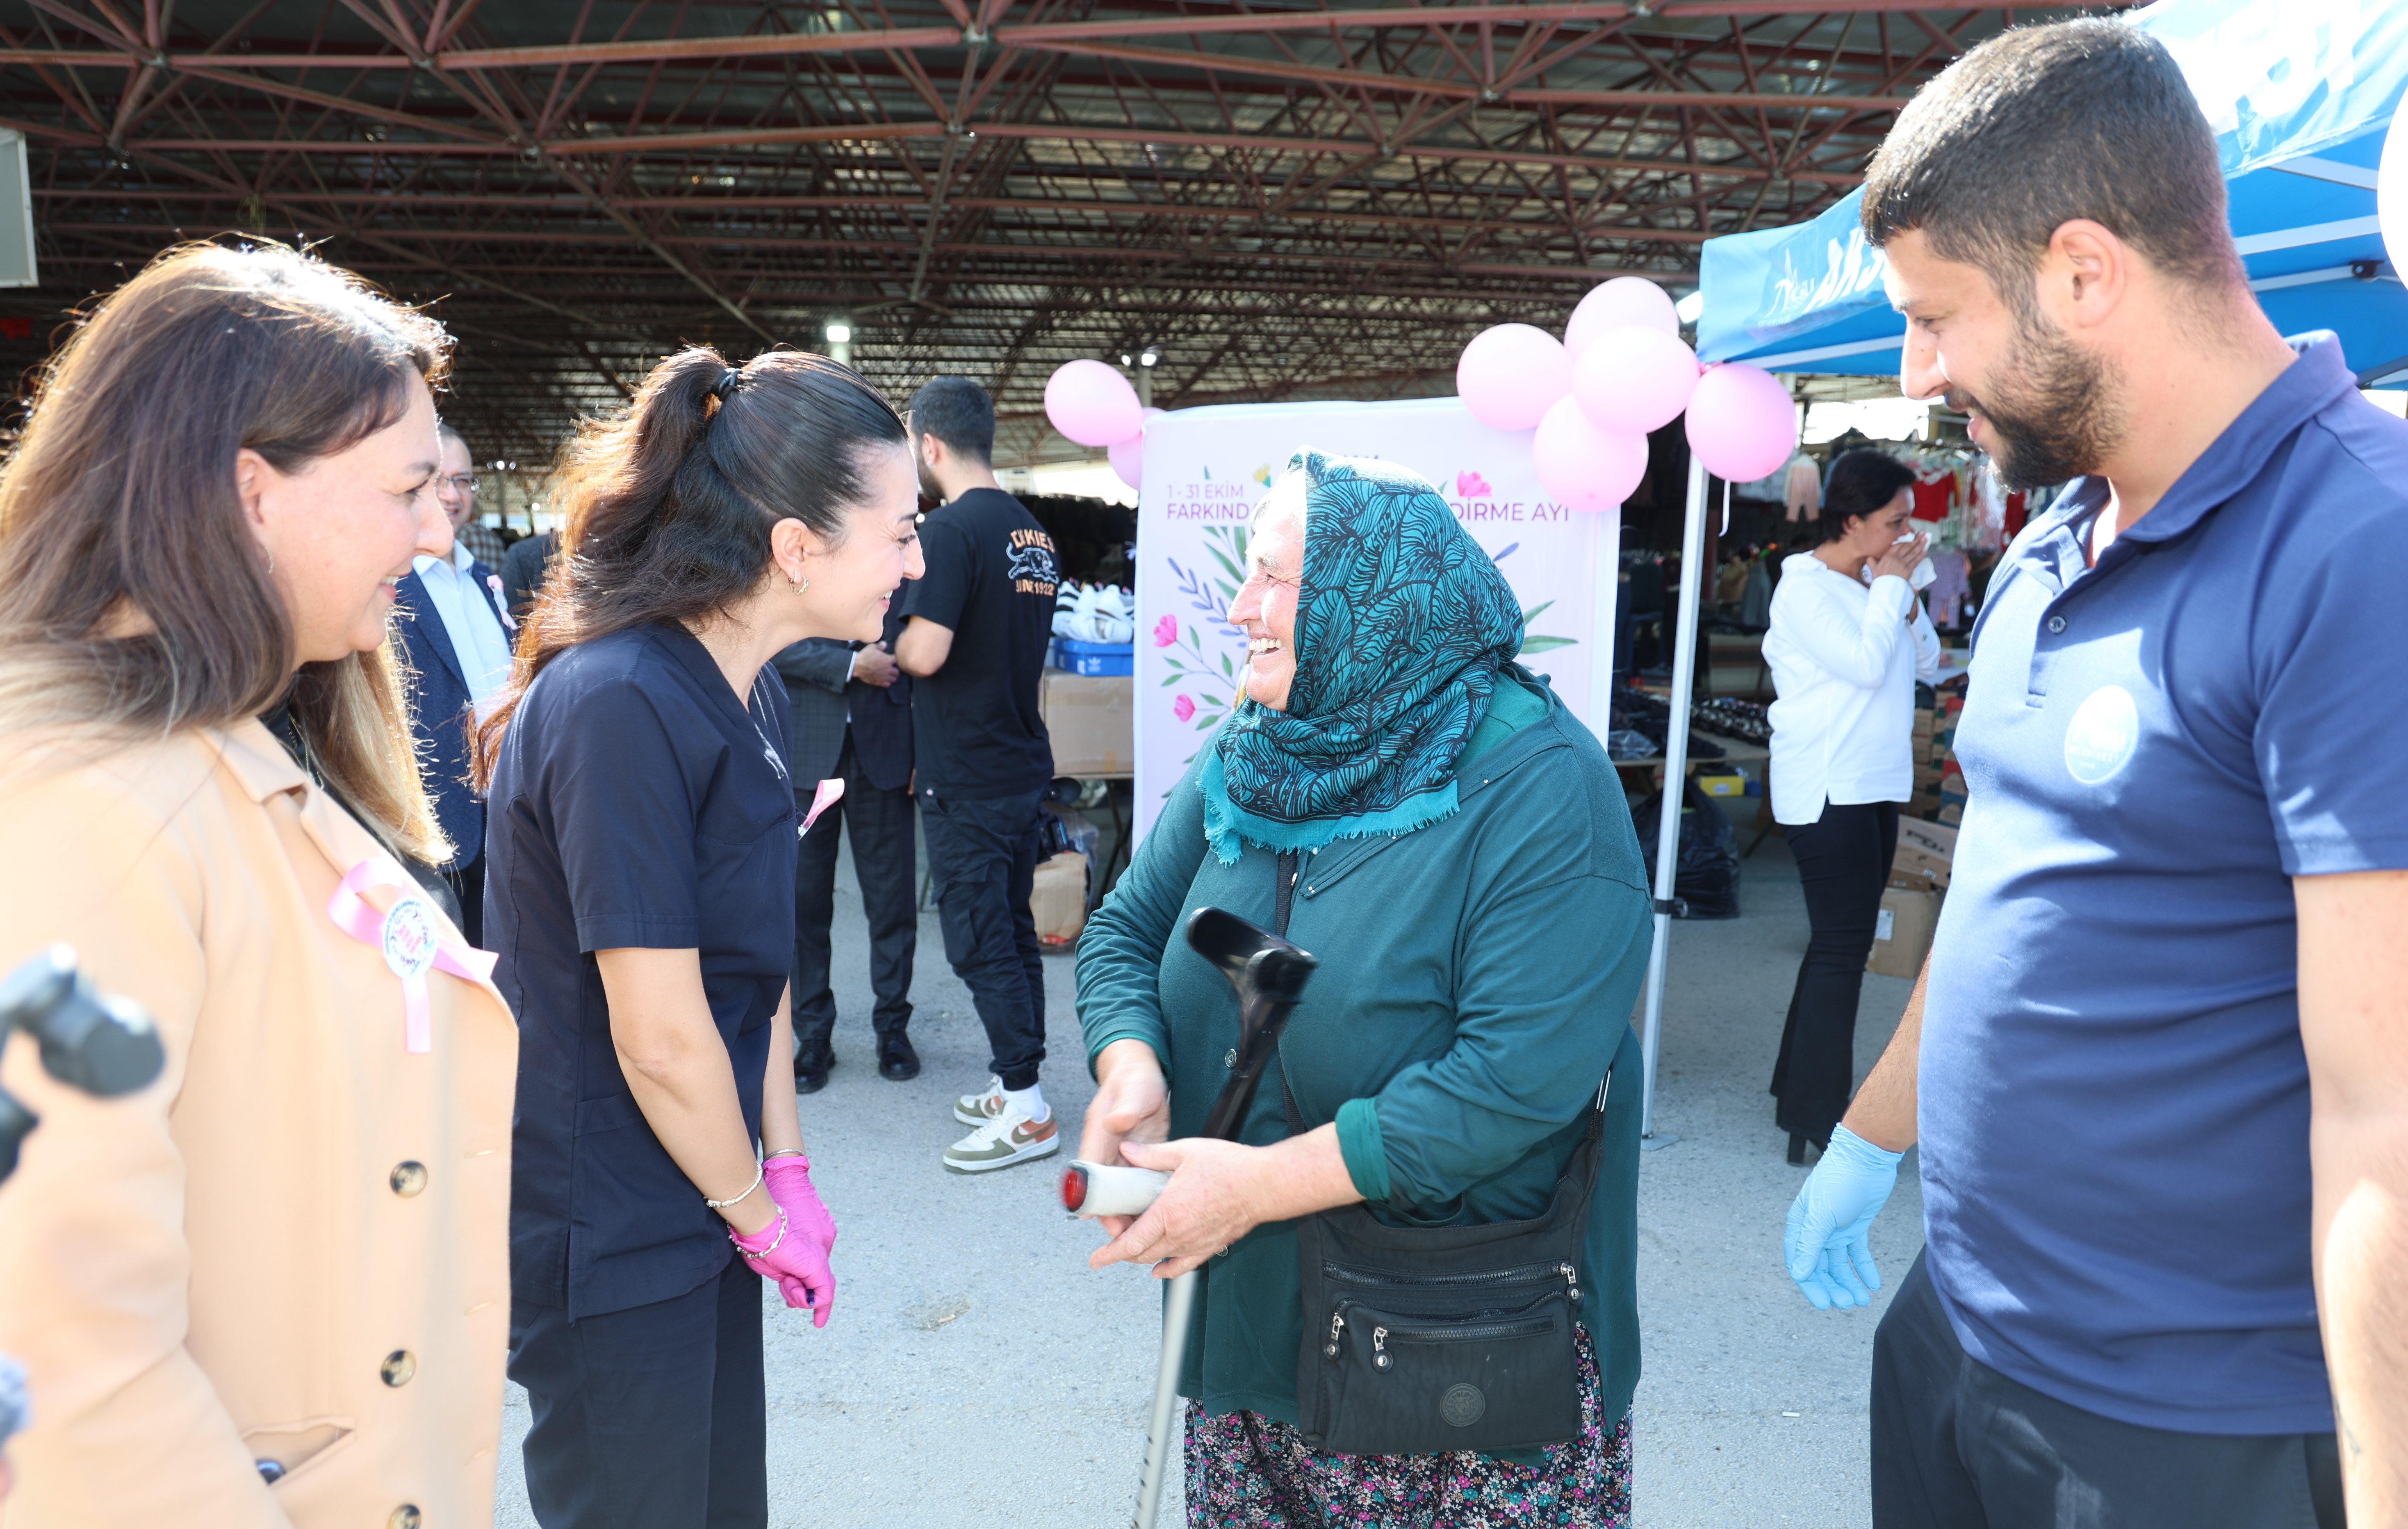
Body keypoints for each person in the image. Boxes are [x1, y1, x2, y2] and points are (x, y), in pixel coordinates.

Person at [1779, 21, 2408, 1529]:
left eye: (1933, 316)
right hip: (1959, 1329)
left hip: (2182, 1417)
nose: (1915, 371)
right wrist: (1871, 1132)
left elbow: (2380, 1115)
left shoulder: (2355, 548)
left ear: (2079, 272)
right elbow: (2002, 892)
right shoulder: (2055, 540)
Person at [0, 242, 517, 1527]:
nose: (437, 528)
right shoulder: (94, 810)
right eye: (408, 488)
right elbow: (67, 1351)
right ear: (251, 493)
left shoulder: (234, 741)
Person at [1076, 452, 1652, 1524]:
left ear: (1371, 594)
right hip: (1250, 1336)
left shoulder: (1541, 788)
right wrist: (1131, 1064)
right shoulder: (1261, 748)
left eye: (1274, 578)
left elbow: (1510, 1087)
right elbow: (1125, 928)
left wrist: (1251, 1187)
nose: (1239, 608)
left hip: (1456, 1364)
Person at [478, 346, 919, 1529]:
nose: (916, 562)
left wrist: (785, 1167)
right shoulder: (619, 700)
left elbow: (755, 967)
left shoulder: (748, 686)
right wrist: (759, 1212)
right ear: (797, 546)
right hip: (616, 1218)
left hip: (706, 1188)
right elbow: (662, 1037)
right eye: (900, 532)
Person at [893, 375, 1065, 1174]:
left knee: (977, 937)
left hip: (967, 770)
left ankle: (1026, 1108)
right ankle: (1015, 1079)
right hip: (1019, 759)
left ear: (929, 444)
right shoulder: (1034, 533)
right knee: (1011, 928)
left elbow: (926, 652)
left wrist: (889, 642)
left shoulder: (950, 530)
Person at [1761, 449, 1939, 1164]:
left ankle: (1796, 1093)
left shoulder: (1875, 585)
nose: (1907, 534)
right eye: (1895, 521)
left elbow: (1927, 662)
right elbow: (1865, 666)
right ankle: (1819, 1114)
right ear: (1852, 520)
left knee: (1836, 946)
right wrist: (1889, 587)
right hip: (1827, 786)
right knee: (1841, 951)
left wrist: (1904, 593)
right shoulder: (1803, 589)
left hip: (1874, 785)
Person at [775, 596, 920, 1091]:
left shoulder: (904, 573)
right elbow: (772, 644)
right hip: (808, 755)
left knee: (893, 903)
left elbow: (929, 659)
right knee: (804, 905)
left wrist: (925, 753)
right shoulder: (798, 571)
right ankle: (813, 1035)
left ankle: (893, 1029)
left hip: (888, 750)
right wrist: (852, 665)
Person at [392, 420, 517, 945]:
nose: (452, 494)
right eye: (438, 480)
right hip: (437, 827)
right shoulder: (392, 586)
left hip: (505, 818)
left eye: (463, 481)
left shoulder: (484, 581)